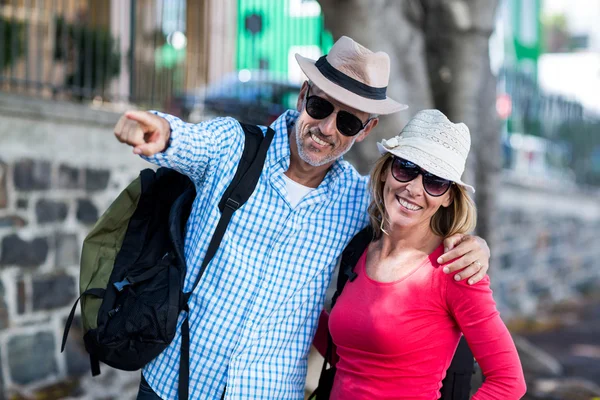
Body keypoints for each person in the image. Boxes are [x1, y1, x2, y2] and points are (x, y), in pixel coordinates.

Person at [113, 36, 491, 399]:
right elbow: (184, 140)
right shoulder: (232, 146)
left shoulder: (358, 202)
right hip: (174, 383)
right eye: (320, 107)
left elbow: (417, 215)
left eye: (347, 122)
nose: (326, 129)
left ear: (366, 130)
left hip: (269, 391)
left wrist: (475, 245)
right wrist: (157, 131)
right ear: (303, 95)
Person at [314, 109, 526, 400]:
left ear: (449, 196)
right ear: (387, 170)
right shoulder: (360, 247)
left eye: (435, 181)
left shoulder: (456, 269)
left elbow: (509, 382)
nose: (414, 188)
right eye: (405, 168)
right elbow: (353, 357)